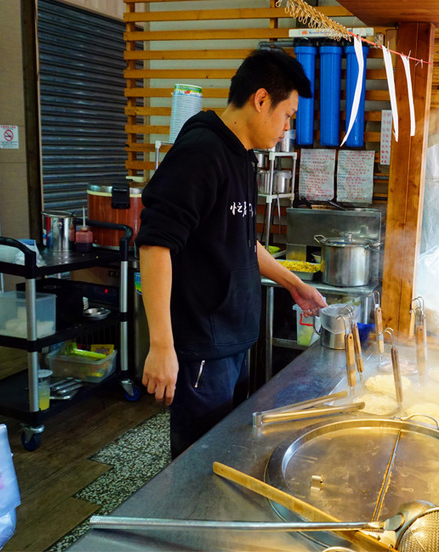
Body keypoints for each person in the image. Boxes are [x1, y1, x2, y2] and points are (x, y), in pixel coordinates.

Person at [135, 49, 327, 458]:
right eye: (287, 115)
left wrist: (294, 284)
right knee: (198, 465)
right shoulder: (201, 151)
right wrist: (162, 345)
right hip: (204, 348)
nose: (287, 127)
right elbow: (155, 245)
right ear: (261, 100)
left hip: (233, 343)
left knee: (226, 455)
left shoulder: (242, 157)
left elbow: (242, 240)